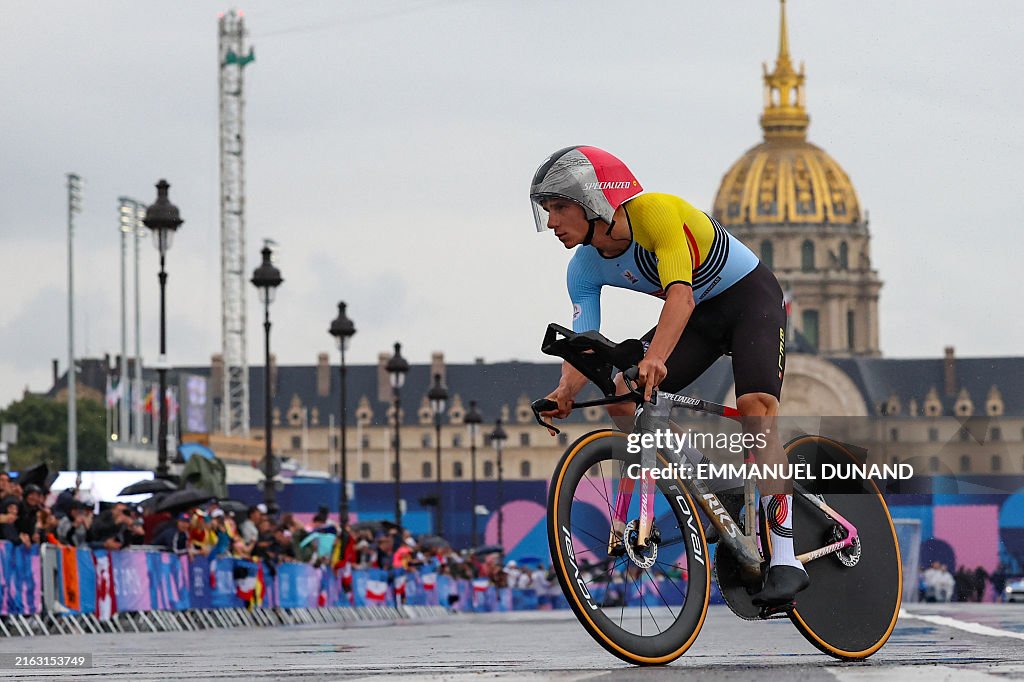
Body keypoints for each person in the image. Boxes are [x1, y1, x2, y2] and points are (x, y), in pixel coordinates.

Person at [530, 146, 802, 606]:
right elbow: (585, 341)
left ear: (594, 200)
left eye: (560, 207)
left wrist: (656, 358)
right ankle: (713, 490)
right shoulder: (582, 267)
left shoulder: (655, 214)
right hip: (699, 317)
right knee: (621, 393)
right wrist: (564, 390)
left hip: (747, 301)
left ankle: (786, 558)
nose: (552, 221)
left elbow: (681, 296)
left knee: (757, 411)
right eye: (547, 210)